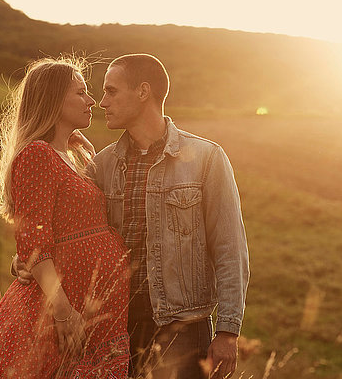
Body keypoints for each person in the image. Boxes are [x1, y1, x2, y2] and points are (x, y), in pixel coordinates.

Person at [14, 53, 249, 379]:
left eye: (111, 91)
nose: (101, 101)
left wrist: (227, 331)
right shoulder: (101, 165)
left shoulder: (207, 159)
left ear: (143, 92)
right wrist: (26, 257)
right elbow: (70, 227)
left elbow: (230, 249)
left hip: (183, 327)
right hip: (116, 327)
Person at [0, 58, 130, 378]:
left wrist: (77, 142)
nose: (91, 100)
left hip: (91, 309)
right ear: (52, 100)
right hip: (61, 315)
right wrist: (62, 311)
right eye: (81, 92)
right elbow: (34, 238)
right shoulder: (38, 153)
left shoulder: (68, 156)